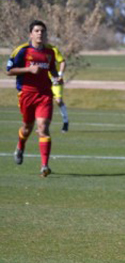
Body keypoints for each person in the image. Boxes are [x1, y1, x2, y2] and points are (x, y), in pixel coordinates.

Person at [6, 20, 61, 177]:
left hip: (44, 95)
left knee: (43, 127)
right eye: (36, 30)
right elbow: (9, 71)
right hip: (26, 94)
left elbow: (52, 70)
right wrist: (28, 69)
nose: (40, 33)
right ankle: (20, 145)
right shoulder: (22, 51)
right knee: (27, 127)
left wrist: (57, 79)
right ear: (30, 34)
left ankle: (44, 165)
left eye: (42, 31)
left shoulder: (50, 52)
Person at [50, 45, 70, 132]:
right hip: (43, 80)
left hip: (55, 80)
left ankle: (65, 122)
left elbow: (62, 61)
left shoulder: (53, 49)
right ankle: (43, 125)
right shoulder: (36, 50)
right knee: (44, 102)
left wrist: (60, 75)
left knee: (58, 101)